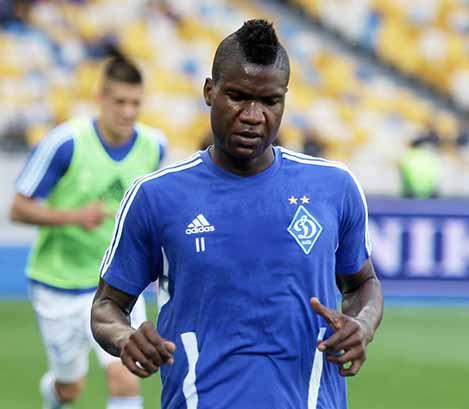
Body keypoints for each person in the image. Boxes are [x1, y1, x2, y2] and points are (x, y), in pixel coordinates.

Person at [91, 19, 383, 409]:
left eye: (269, 101)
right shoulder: (156, 197)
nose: (253, 115)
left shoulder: (334, 187)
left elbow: (363, 284)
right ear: (209, 91)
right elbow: (106, 307)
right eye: (238, 97)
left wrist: (362, 325)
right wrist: (125, 337)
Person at [10, 56, 167, 409]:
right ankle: (56, 392)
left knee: (126, 373)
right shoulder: (65, 143)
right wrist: (75, 216)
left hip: (119, 282)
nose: (128, 112)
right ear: (101, 98)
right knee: (70, 388)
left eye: (135, 103)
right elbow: (18, 208)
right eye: (120, 102)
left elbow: (151, 213)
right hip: (60, 284)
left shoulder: (153, 146)